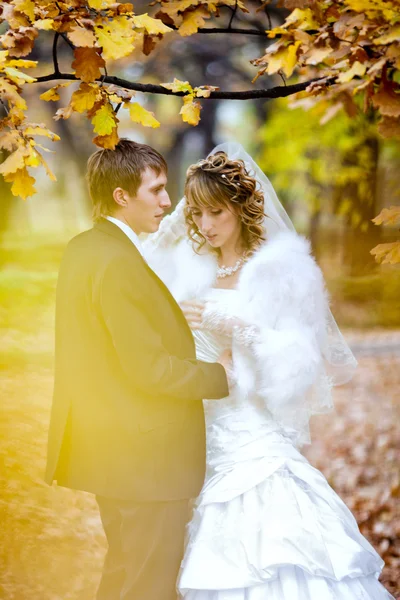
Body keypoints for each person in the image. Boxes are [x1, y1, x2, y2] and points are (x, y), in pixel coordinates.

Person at [143, 142, 394, 599]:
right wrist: (179, 211)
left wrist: (237, 326)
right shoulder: (188, 268)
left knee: (274, 549)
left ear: (240, 207)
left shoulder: (281, 270)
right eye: (196, 214)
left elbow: (300, 367)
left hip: (252, 434)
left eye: (215, 212)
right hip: (197, 435)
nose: (205, 225)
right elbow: (138, 261)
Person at [44, 139, 230, 600]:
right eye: (157, 190)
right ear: (122, 196)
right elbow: (147, 368)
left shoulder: (84, 249)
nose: (168, 202)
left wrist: (168, 321)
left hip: (113, 452)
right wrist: (220, 375)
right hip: (147, 460)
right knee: (148, 585)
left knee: (125, 574)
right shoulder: (119, 261)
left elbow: (103, 343)